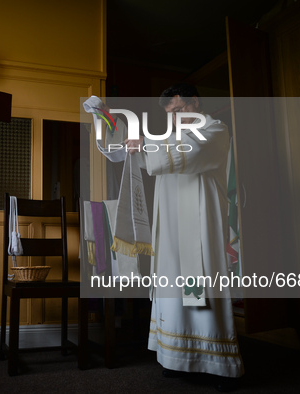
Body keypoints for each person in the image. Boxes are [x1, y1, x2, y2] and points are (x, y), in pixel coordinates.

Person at [92, 83, 243, 391]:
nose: (175, 118)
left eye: (179, 110)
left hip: (198, 228)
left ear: (195, 103)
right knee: (172, 290)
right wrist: (108, 121)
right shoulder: (166, 138)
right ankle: (177, 359)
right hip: (170, 229)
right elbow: (131, 154)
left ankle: (216, 365)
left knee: (199, 290)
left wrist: (144, 143)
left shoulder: (214, 129)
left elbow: (188, 153)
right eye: (170, 114)